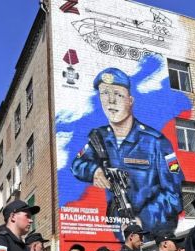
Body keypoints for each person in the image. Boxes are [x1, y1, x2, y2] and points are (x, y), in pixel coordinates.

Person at [71, 67, 184, 234]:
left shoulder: (156, 142)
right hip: (118, 234)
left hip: (152, 236)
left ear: (130, 101)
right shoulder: (99, 137)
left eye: (118, 95)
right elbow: (77, 164)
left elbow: (174, 195)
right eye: (105, 93)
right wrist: (94, 171)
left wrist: (142, 220)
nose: (111, 101)